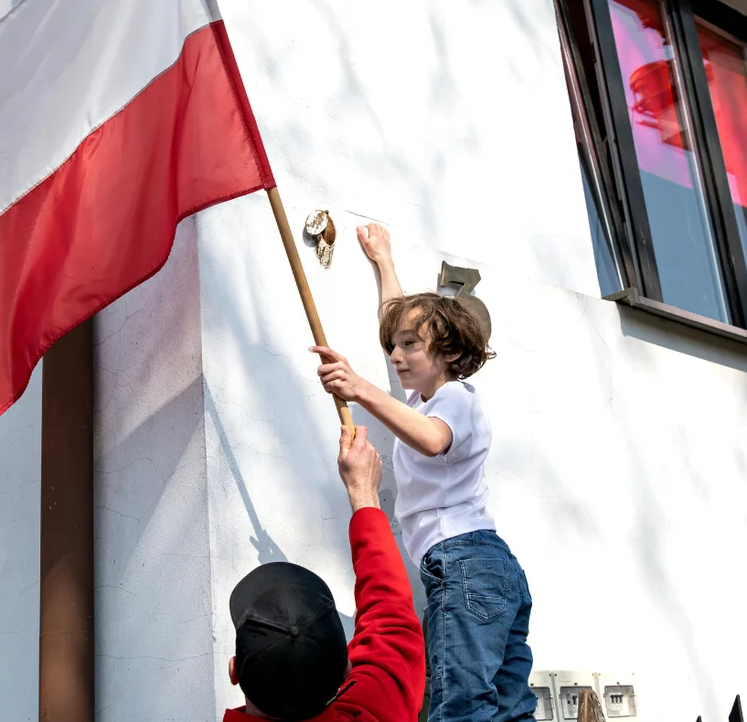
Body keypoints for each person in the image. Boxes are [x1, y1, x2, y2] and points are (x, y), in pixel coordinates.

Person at [308, 224, 536, 722]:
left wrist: (360, 389)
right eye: (394, 346)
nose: (395, 355)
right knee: (507, 707)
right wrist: (384, 262)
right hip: (484, 568)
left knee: (458, 704)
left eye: (409, 346)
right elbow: (396, 320)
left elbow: (431, 440)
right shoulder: (423, 400)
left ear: (449, 354)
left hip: (465, 564)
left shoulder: (456, 399)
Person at [224, 425, 425, 721]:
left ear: (234, 671)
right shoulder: (375, 707)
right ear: (346, 670)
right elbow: (390, 616)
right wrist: (364, 494)